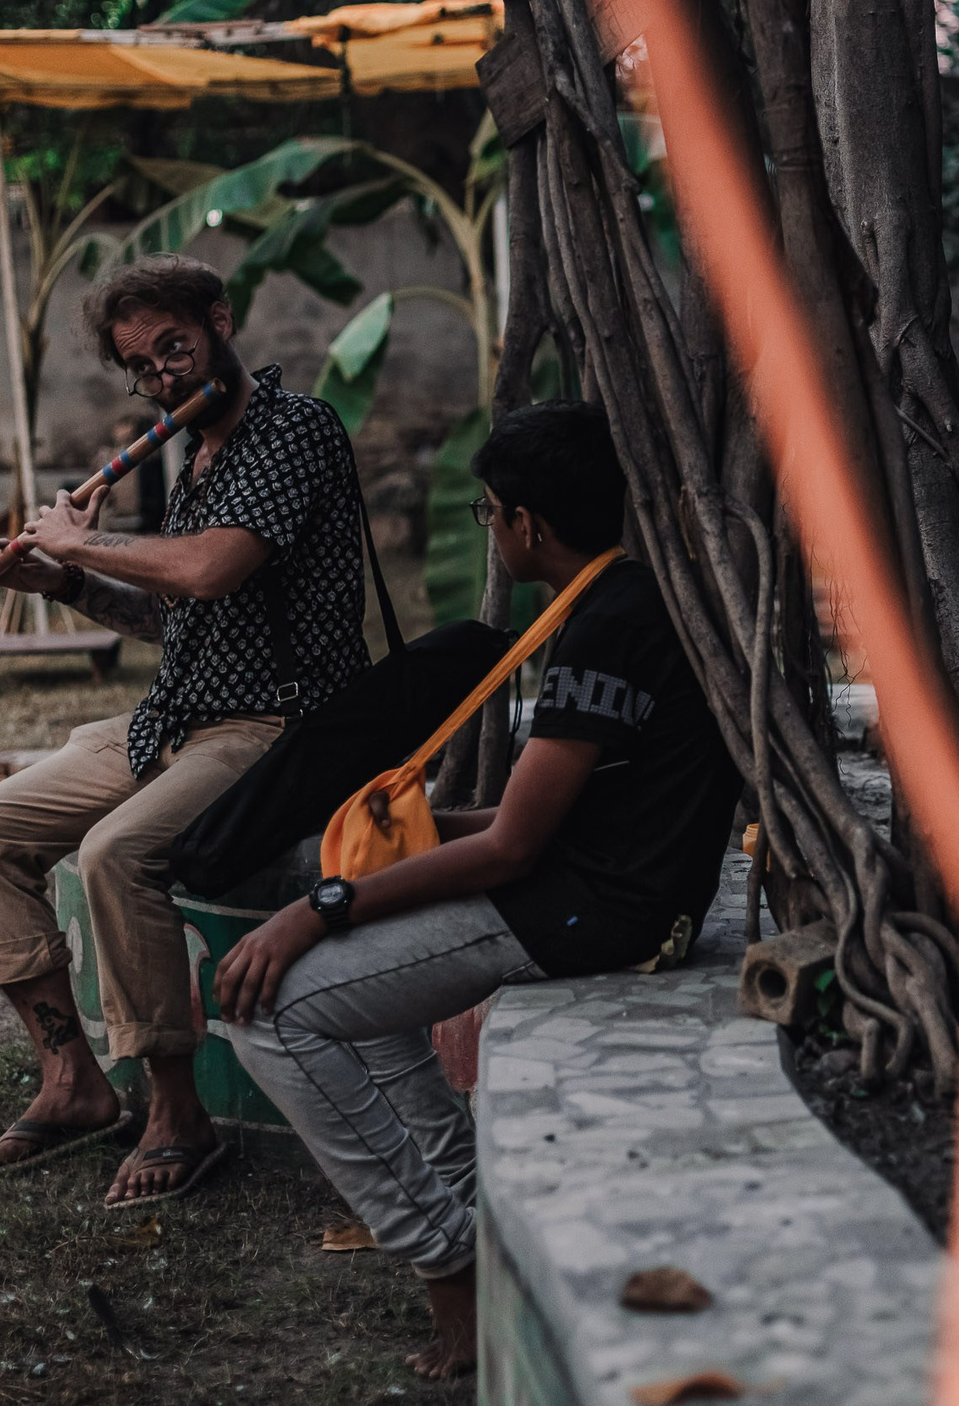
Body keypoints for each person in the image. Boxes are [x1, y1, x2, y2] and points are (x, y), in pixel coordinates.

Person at [213, 400, 744, 1380]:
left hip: (594, 914)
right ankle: (464, 1200)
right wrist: (400, 844)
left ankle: (444, 1253)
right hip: (593, 884)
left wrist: (316, 908)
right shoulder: (623, 602)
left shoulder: (605, 628)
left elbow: (510, 847)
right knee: (344, 980)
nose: (489, 530)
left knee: (272, 1009)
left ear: (526, 525)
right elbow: (533, 819)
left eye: (486, 512)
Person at [0, 254, 375, 1207]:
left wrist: (79, 538)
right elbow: (179, 618)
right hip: (173, 719)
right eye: (144, 365)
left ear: (219, 320)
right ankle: (73, 1082)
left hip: (278, 723)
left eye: (175, 348)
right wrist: (69, 583)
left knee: (118, 852)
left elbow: (211, 569)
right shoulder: (195, 456)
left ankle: (177, 1113)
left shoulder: (294, 431)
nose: (164, 377)